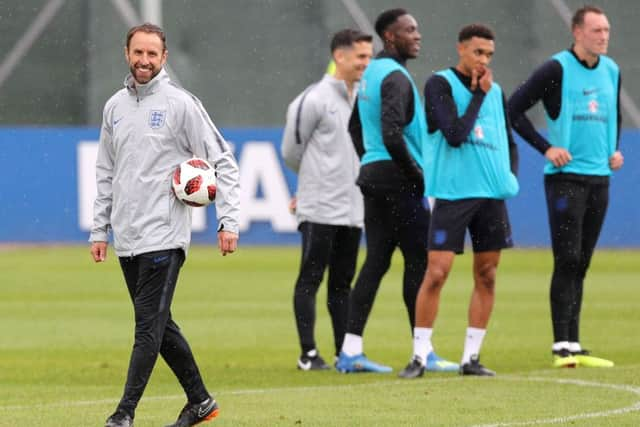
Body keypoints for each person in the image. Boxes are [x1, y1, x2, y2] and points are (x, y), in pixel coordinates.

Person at [90, 23, 240, 427]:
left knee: (146, 329)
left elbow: (222, 160)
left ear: (164, 58)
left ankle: (123, 414)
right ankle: (201, 402)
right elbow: (106, 171)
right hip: (128, 235)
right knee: (160, 324)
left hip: (165, 235)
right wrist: (99, 228)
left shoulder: (180, 104)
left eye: (152, 54)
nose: (144, 61)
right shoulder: (114, 108)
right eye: (138, 53)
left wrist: (228, 219)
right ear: (126, 53)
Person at [335, 8, 457, 374]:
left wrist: (370, 164)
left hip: (375, 178)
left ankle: (350, 351)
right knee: (419, 264)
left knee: (375, 263)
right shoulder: (398, 78)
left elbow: (356, 128)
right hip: (400, 182)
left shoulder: (370, 74)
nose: (417, 36)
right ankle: (423, 351)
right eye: (410, 30)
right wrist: (417, 176)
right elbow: (391, 134)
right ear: (391, 37)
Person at [399, 24, 519, 379]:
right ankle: (419, 356)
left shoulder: (496, 92)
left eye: (489, 55)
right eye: (478, 52)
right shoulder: (440, 84)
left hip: (490, 196)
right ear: (461, 49)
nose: (484, 60)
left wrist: (509, 175)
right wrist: (478, 96)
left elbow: (507, 140)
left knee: (488, 273)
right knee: (436, 273)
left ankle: (472, 358)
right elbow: (454, 135)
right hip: (453, 194)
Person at [508, 5, 622, 369]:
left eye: (606, 30)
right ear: (577, 33)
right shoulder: (556, 68)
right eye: (596, 30)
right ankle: (560, 345)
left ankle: (573, 341)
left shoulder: (612, 70)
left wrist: (613, 149)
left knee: (583, 262)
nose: (603, 36)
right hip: (565, 180)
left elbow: (614, 114)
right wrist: (547, 147)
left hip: (599, 179)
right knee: (567, 258)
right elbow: (514, 109)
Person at [281, 29, 373, 370]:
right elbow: (291, 150)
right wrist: (311, 183)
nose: (366, 62)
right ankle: (308, 354)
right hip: (319, 206)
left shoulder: (364, 98)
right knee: (310, 278)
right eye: (360, 56)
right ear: (340, 56)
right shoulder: (314, 98)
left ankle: (343, 353)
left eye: (368, 56)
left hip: (353, 208)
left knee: (342, 283)